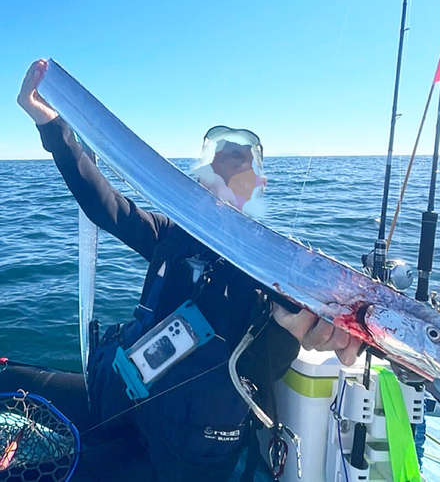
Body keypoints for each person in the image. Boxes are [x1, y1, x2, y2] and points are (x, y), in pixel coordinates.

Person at [11, 59, 362, 481]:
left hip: (182, 462)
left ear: (256, 187)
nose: (221, 179)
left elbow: (264, 362)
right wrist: (51, 126)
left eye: (238, 170)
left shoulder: (269, 272)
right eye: (215, 168)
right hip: (128, 412)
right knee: (8, 379)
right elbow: (105, 205)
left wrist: (306, 331)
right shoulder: (170, 239)